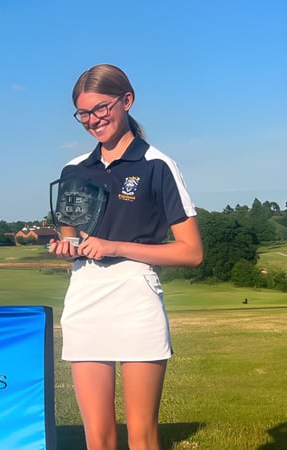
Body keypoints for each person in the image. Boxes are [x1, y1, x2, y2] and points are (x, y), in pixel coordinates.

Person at [48, 64, 204, 450]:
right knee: (97, 438)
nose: (92, 120)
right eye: (83, 113)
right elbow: (70, 238)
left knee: (143, 436)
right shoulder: (73, 170)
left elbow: (191, 252)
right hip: (85, 296)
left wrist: (115, 246)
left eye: (101, 108)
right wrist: (65, 247)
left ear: (127, 101)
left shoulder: (157, 165)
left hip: (136, 296)